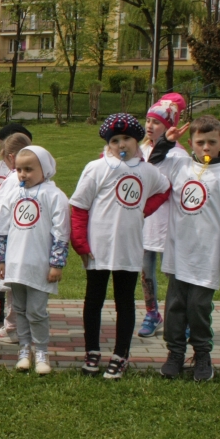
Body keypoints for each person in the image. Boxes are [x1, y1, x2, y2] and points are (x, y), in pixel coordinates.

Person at [149, 115, 220, 382]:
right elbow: (151, 168)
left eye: (211, 142)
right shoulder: (180, 166)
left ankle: (203, 355)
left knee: (198, 308)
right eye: (200, 142)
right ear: (191, 143)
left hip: (208, 256)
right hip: (179, 252)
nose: (206, 148)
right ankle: (174, 354)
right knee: (174, 307)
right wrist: (165, 142)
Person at [69, 114, 171, 380]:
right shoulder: (97, 168)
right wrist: (80, 243)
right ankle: (92, 351)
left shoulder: (148, 171)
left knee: (124, 302)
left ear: (138, 141)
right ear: (108, 144)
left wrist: (143, 211)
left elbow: (164, 190)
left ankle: (120, 354)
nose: (121, 144)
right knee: (94, 301)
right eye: (115, 140)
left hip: (128, 247)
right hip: (98, 248)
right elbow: (79, 207)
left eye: (127, 138)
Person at [0, 146, 69, 375]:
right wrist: (1, 259)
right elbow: (2, 228)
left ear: (44, 170)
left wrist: (56, 263)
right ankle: (24, 349)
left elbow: (61, 231)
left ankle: (42, 351)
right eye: (19, 169)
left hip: (39, 265)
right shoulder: (13, 194)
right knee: (20, 309)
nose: (23, 174)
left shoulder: (54, 196)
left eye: (29, 169)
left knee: (36, 311)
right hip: (16, 264)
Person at [138, 93, 189, 338]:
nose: (149, 126)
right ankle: (152, 313)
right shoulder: (140, 150)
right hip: (143, 222)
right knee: (145, 270)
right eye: (148, 120)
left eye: (156, 122)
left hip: (168, 223)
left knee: (174, 272)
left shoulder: (179, 156)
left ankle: (179, 316)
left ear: (170, 127)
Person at [0, 132, 33, 330]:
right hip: (22, 235)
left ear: (9, 156)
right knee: (13, 277)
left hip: (9, 234)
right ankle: (7, 313)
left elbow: (0, 209)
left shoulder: (14, 178)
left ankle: (14, 325)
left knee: (10, 277)